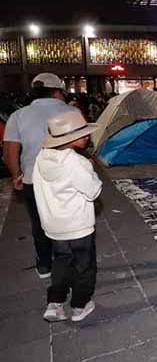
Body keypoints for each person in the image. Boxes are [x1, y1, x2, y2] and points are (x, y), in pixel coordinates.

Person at [2, 73, 79, 279]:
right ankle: (70, 262)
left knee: (39, 224)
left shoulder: (18, 116)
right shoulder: (71, 111)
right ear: (57, 92)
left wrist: (16, 175)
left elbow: (9, 151)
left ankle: (44, 265)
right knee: (69, 221)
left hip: (33, 180)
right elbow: (81, 144)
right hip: (67, 178)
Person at [33, 110, 102, 322]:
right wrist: (92, 171)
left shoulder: (41, 157)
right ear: (72, 138)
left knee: (61, 264)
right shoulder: (76, 163)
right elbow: (93, 190)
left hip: (54, 227)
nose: (87, 137)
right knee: (84, 266)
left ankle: (55, 303)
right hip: (79, 226)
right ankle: (80, 306)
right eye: (84, 134)